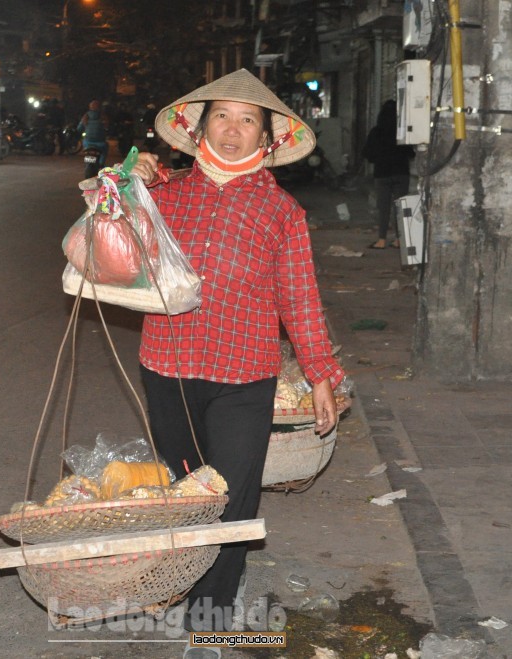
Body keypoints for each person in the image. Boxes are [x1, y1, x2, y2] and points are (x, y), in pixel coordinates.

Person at [130, 69, 344, 658]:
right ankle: (183, 583)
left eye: (248, 120)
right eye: (221, 116)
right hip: (167, 365)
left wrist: (321, 374)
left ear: (267, 138)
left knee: (233, 492)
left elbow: (300, 298)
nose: (232, 129)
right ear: (199, 127)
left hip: (245, 374)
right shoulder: (163, 195)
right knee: (186, 490)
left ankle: (211, 617)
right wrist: (128, 177)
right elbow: (106, 236)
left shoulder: (282, 212)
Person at [361, 99, 415, 249]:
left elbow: (367, 153)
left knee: (383, 208)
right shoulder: (402, 133)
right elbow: (411, 153)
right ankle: (399, 239)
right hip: (401, 174)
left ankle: (381, 239)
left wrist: (379, 157)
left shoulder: (376, 132)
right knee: (400, 207)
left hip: (382, 174)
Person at [77, 99, 108, 167]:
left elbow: (79, 128)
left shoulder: (85, 116)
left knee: (86, 151)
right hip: (100, 142)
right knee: (104, 150)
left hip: (88, 142)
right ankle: (101, 163)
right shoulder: (103, 116)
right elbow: (108, 127)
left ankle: (88, 164)